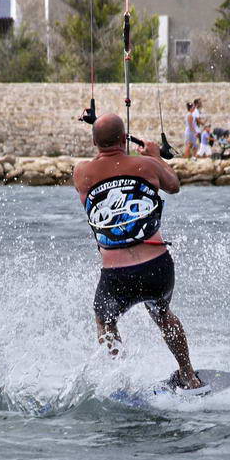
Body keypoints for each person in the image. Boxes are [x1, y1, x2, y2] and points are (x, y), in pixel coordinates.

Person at [73, 113, 203, 390]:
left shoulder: (81, 172)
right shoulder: (146, 165)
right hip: (157, 267)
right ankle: (189, 375)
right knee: (162, 314)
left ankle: (120, 379)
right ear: (124, 139)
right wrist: (155, 155)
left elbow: (110, 165)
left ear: (94, 142)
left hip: (116, 276)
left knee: (105, 323)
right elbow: (174, 186)